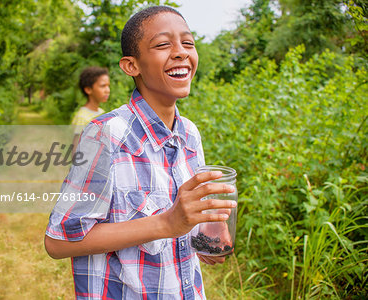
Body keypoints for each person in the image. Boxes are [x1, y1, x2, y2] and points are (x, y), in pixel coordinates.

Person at [45, 5, 237, 299]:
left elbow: (182, 225)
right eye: (163, 44)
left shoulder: (189, 135)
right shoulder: (106, 134)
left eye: (188, 43)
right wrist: (166, 223)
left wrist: (205, 236)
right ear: (131, 66)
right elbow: (58, 242)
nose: (180, 52)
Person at [71, 66, 110, 149]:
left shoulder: (102, 112)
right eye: (103, 86)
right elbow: (76, 149)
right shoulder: (82, 117)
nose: (107, 90)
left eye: (108, 86)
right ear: (88, 90)